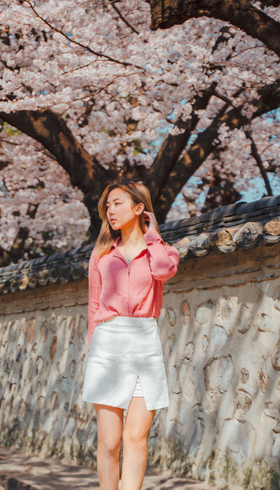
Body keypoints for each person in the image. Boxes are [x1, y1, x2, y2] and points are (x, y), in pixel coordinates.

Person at [82, 180, 180, 490]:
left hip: (143, 341)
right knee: (109, 442)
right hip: (108, 343)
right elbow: (94, 305)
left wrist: (151, 234)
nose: (110, 210)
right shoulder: (101, 254)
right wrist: (92, 349)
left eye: (118, 203)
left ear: (139, 208)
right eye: (107, 205)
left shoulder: (161, 251)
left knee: (135, 436)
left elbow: (164, 271)